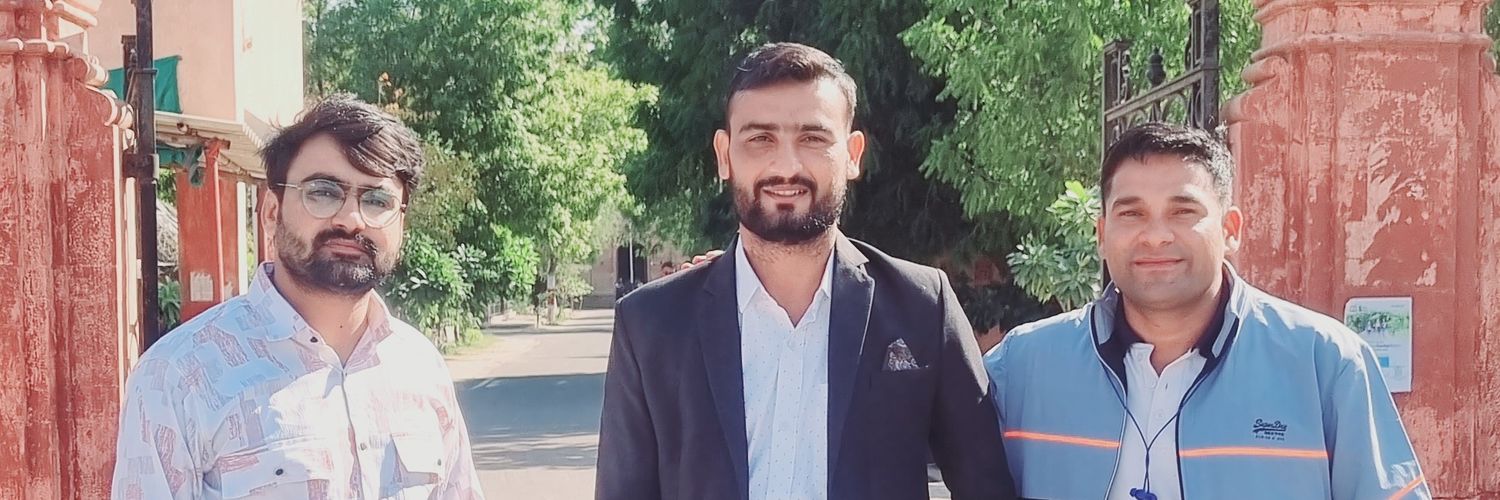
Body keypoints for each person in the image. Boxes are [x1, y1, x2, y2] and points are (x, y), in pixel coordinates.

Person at [595, 42, 1014, 500]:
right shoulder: (651, 324)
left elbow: (986, 486)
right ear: (724, 154)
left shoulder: (921, 307)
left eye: (813, 138)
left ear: (852, 154)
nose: (786, 166)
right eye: (760, 139)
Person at [986, 123, 1428, 499]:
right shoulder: (1023, 368)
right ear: (1102, 234)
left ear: (1230, 229)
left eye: (1183, 211)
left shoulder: (1325, 364)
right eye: (1132, 213)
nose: (1155, 236)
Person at [112, 94, 482, 499]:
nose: (351, 219)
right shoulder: (180, 376)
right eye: (323, 192)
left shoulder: (420, 367)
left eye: (377, 200)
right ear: (272, 213)